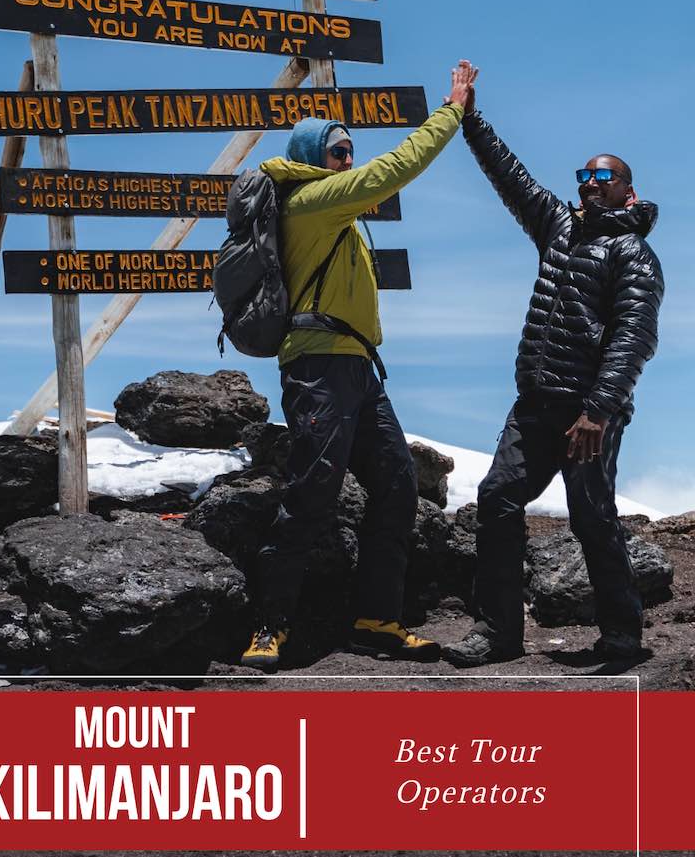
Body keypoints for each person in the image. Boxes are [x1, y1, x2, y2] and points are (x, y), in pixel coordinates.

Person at [241, 62, 477, 671]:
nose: (349, 159)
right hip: (318, 370)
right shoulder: (312, 200)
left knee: (397, 482)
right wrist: (452, 110)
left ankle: (377, 619)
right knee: (311, 492)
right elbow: (395, 169)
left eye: (350, 151)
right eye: (340, 150)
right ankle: (270, 625)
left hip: (357, 371)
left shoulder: (334, 217)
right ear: (314, 157)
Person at [444, 63, 664, 668]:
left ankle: (622, 635)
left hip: (588, 412)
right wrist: (469, 118)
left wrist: (598, 411)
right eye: (584, 175)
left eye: (603, 175)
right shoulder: (559, 228)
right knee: (497, 498)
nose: (590, 183)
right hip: (535, 401)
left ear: (627, 191)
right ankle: (499, 633)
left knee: (593, 518)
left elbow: (634, 338)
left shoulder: (632, 254)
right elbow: (511, 178)